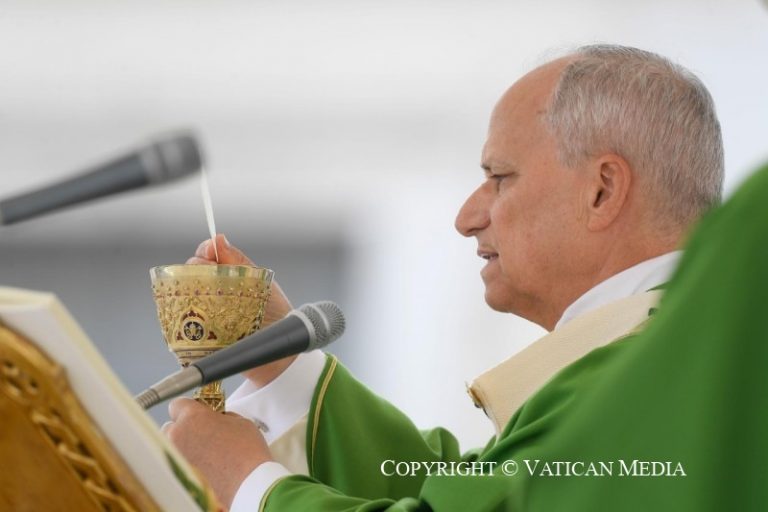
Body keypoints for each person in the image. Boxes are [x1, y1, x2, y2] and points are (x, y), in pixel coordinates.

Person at [161, 44, 759, 511]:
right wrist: (281, 361)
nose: (467, 217)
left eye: (500, 178)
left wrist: (250, 483)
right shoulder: (653, 361)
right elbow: (461, 495)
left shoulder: (646, 377)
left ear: (602, 190)